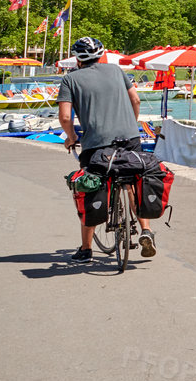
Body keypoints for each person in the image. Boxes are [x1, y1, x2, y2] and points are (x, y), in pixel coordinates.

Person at [58, 37, 154, 261]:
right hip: (129, 138)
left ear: (77, 59)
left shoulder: (70, 79)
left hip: (96, 144)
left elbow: (64, 117)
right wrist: (131, 125)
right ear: (100, 55)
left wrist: (71, 137)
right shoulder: (116, 70)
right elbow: (136, 101)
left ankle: (86, 249)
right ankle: (146, 230)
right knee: (131, 183)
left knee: (89, 187)